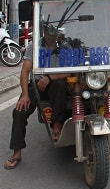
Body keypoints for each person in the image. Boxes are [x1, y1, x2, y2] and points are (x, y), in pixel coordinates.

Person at [4, 23, 70, 170]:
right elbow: (25, 71)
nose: (50, 33)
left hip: (55, 83)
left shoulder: (65, 47)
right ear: (44, 31)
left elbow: (71, 72)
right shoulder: (34, 46)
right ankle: (16, 151)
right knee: (20, 111)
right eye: (47, 30)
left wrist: (50, 77)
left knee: (60, 85)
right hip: (36, 84)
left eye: (53, 30)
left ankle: (57, 125)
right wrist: (25, 95)